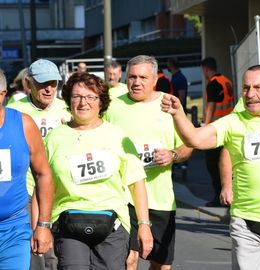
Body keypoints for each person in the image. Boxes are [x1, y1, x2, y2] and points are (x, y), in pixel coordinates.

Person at [161, 64, 260, 270]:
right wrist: (178, 115)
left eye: (258, 88)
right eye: (246, 88)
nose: (250, 94)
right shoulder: (234, 122)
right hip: (248, 225)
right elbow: (195, 139)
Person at [44, 72, 153, 270]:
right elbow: (42, 185)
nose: (83, 102)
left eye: (90, 97)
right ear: (68, 100)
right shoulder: (54, 138)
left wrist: (144, 225)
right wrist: (41, 226)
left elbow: (137, 183)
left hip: (112, 226)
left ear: (101, 102)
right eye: (76, 96)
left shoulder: (118, 136)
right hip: (67, 223)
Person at [104, 55, 193, 270]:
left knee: (161, 265)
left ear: (154, 79)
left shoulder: (169, 104)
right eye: (132, 77)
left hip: (160, 198)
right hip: (125, 197)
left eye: (143, 77)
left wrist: (172, 155)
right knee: (129, 259)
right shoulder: (113, 107)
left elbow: (189, 145)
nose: (136, 82)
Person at [8, 58, 71, 270]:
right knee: (33, 251)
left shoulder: (67, 109)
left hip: (60, 190)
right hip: (24, 190)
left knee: (56, 253)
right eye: (43, 83)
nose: (49, 89)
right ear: (29, 83)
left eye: (54, 83)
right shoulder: (15, 110)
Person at [0, 69, 54, 269]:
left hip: (13, 230)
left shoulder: (23, 124)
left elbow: (43, 174)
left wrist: (43, 225)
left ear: (3, 94)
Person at [200, 57, 234, 207]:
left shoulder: (213, 84)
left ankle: (218, 195)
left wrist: (205, 127)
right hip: (230, 127)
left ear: (206, 69)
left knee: (213, 164)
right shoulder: (226, 80)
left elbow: (210, 107)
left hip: (217, 129)